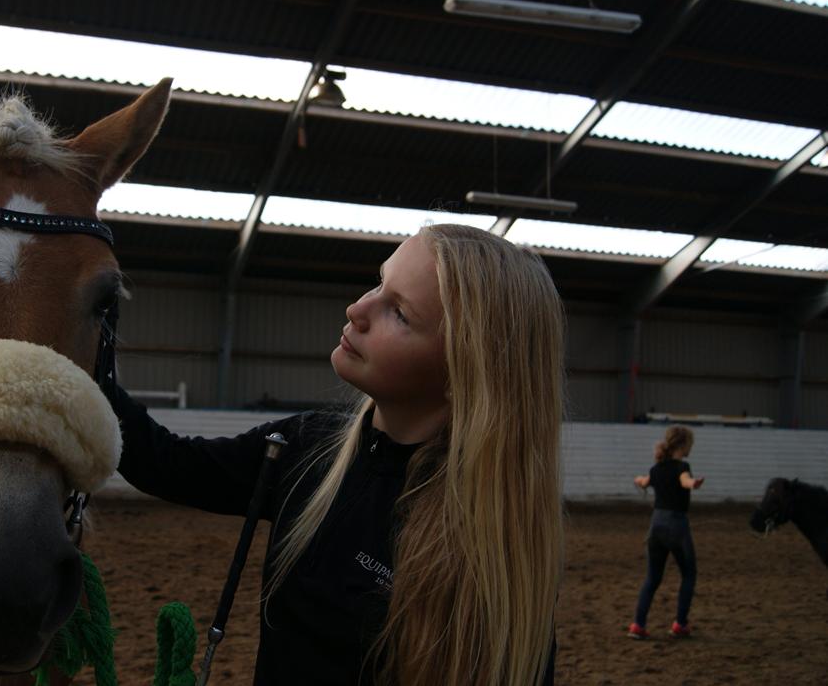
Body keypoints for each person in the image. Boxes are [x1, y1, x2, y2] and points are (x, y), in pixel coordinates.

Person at [112, 224, 564, 685]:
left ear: (462, 373)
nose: (357, 309)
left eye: (400, 313)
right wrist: (88, 337)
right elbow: (165, 463)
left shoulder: (489, 553)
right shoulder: (302, 446)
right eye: (378, 282)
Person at [627, 425, 704, 640]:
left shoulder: (656, 468)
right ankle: (680, 624)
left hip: (656, 526)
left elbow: (644, 481)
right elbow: (684, 480)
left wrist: (637, 480)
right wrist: (693, 484)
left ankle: (637, 625)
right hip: (677, 526)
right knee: (689, 574)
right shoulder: (683, 466)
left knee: (652, 578)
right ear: (683, 445)